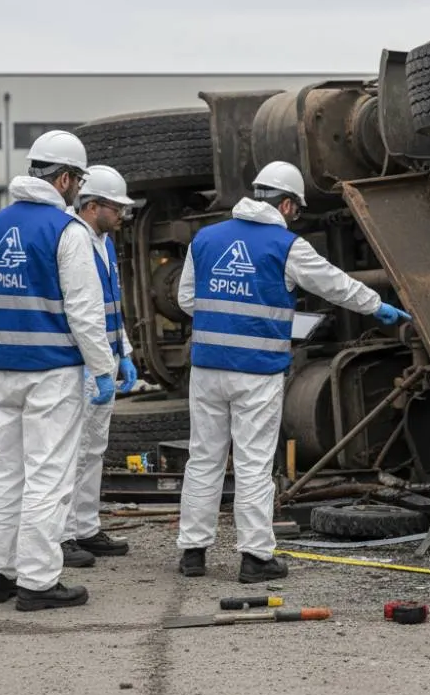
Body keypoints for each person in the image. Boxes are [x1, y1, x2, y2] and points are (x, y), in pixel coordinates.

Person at [175, 160, 412, 583]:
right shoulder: (285, 246)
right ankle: (255, 558)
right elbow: (334, 284)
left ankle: (193, 553)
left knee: (204, 457)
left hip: (207, 368)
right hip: (257, 372)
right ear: (286, 204)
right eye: (296, 210)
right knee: (252, 463)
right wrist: (378, 306)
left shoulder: (205, 238)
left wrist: (229, 319)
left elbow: (187, 300)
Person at [0, 130, 117, 612]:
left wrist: (6, 350)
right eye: (78, 181)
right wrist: (103, 370)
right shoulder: (67, 231)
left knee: (6, 471)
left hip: (4, 368)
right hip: (54, 372)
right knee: (48, 475)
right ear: (67, 178)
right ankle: (37, 581)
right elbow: (85, 314)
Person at [60, 164, 139, 567]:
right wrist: (99, 366)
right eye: (116, 207)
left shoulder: (104, 243)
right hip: (83, 365)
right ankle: (63, 535)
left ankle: (86, 528)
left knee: (94, 449)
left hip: (103, 360)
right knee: (72, 453)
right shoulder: (74, 241)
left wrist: (124, 351)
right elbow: (81, 312)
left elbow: (111, 304)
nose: (122, 214)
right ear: (92, 206)